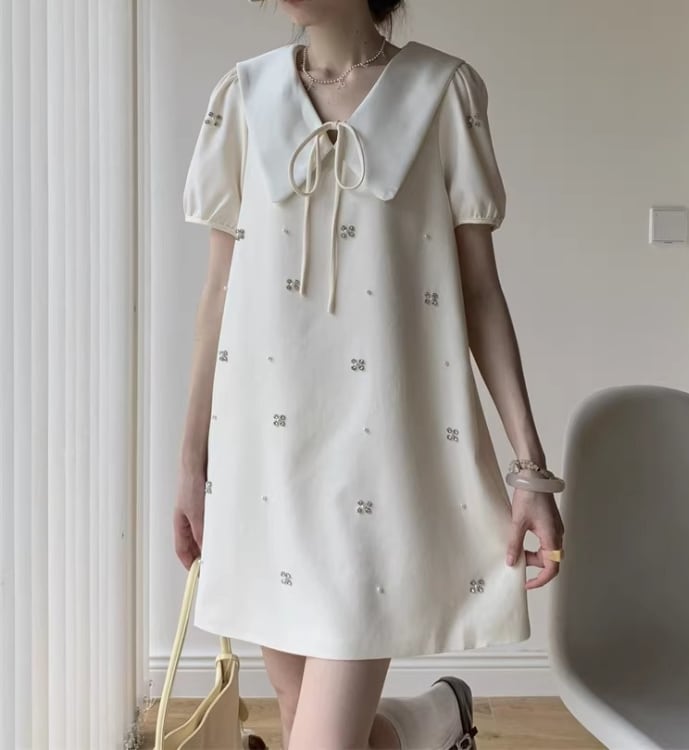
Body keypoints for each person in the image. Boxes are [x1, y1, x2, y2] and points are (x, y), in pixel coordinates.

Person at [175, 0, 566, 747]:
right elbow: (217, 293)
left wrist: (530, 470)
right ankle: (439, 718)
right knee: (303, 718)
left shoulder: (442, 93)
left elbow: (480, 291)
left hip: (377, 468)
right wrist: (192, 463)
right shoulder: (243, 96)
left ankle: (435, 717)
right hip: (267, 465)